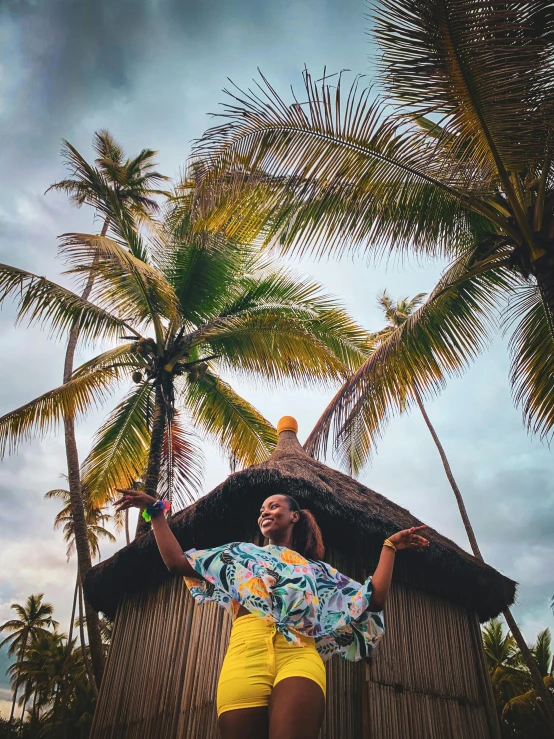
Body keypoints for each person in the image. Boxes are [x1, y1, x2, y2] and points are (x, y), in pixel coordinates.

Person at [115, 488, 428, 739]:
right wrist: (155, 513)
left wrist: (389, 547)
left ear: (294, 516)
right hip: (244, 653)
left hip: (299, 655)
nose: (265, 511)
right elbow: (177, 562)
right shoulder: (238, 555)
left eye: (274, 506)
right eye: (262, 509)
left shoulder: (316, 571)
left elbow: (370, 600)